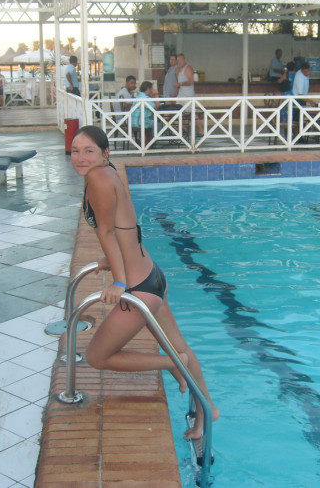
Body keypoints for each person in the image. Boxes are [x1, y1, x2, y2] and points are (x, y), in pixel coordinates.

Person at [70, 125, 219, 440]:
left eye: (88, 151)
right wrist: (111, 260)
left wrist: (119, 281)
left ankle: (171, 363)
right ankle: (208, 409)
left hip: (138, 289)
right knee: (182, 347)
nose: (80, 157)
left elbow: (106, 231)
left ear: (105, 153)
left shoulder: (98, 178)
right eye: (75, 151)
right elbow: (122, 228)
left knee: (97, 356)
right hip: (153, 277)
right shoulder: (106, 173)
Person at [174, 53, 203, 136]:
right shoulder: (177, 70)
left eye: (181, 60)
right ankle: (183, 129)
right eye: (178, 60)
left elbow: (191, 81)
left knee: (192, 113)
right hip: (180, 95)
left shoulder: (188, 68)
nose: (179, 62)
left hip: (188, 95)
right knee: (180, 113)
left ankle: (201, 130)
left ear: (185, 60)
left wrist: (181, 83)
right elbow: (177, 83)